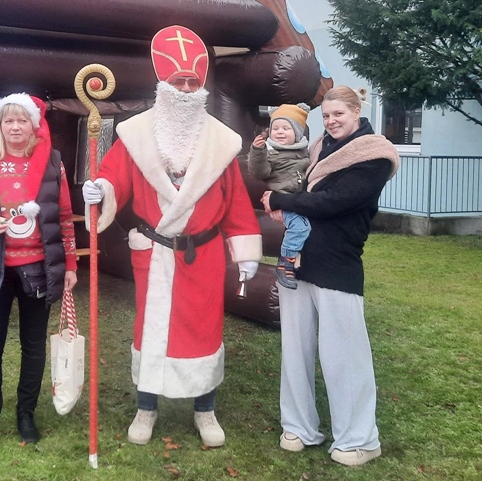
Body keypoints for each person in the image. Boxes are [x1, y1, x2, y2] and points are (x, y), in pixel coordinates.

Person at [82, 25, 262, 448]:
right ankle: (147, 408)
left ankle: (205, 411)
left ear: (200, 88)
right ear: (162, 85)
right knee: (151, 331)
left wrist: (246, 247)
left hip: (204, 254)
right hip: (156, 252)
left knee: (204, 331)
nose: (184, 89)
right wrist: (101, 189)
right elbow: (113, 177)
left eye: (192, 82)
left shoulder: (220, 141)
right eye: (177, 81)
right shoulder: (136, 135)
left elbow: (234, 199)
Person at [260, 85, 399, 466]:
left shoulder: (374, 155)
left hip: (338, 259)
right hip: (298, 257)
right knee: (296, 348)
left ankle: (360, 438)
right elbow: (306, 190)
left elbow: (333, 202)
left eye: (339, 113)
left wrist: (281, 200)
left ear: (357, 111)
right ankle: (300, 426)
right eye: (327, 115)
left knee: (344, 352)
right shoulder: (321, 148)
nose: (332, 120)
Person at [0, 92, 78, 448]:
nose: (14, 127)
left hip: (38, 267)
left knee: (33, 345)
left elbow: (65, 218)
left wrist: (70, 264)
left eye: (21, 120)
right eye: (7, 120)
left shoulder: (52, 162)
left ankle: (26, 412)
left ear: (33, 125)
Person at [248, 104, 312, 289]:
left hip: (298, 200)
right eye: (275, 128)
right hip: (283, 200)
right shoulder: (271, 153)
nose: (280, 132)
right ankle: (285, 263)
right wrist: (257, 152)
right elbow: (259, 172)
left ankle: (295, 260)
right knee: (301, 228)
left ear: (298, 133)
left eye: (286, 128)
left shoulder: (303, 151)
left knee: (305, 228)